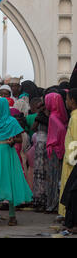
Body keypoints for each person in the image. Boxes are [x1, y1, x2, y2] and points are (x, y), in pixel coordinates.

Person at [0, 97, 33, 227]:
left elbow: (20, 139)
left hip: (8, 154)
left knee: (10, 182)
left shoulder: (12, 122)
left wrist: (13, 140)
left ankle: (12, 215)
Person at [45, 93, 68, 213]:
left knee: (53, 178)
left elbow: (60, 130)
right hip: (58, 149)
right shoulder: (58, 115)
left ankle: (52, 204)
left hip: (54, 150)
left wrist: (54, 142)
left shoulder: (53, 117)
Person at [59, 88, 77, 218]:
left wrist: (71, 161)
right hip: (71, 159)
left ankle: (68, 216)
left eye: (67, 99)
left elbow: (75, 141)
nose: (65, 102)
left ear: (72, 101)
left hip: (72, 161)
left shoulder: (75, 119)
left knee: (71, 190)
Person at [31, 100, 49, 212]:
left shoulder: (41, 116)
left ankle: (40, 199)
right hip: (46, 144)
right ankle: (43, 199)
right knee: (44, 173)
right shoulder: (51, 116)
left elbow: (33, 128)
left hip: (42, 144)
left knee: (40, 173)